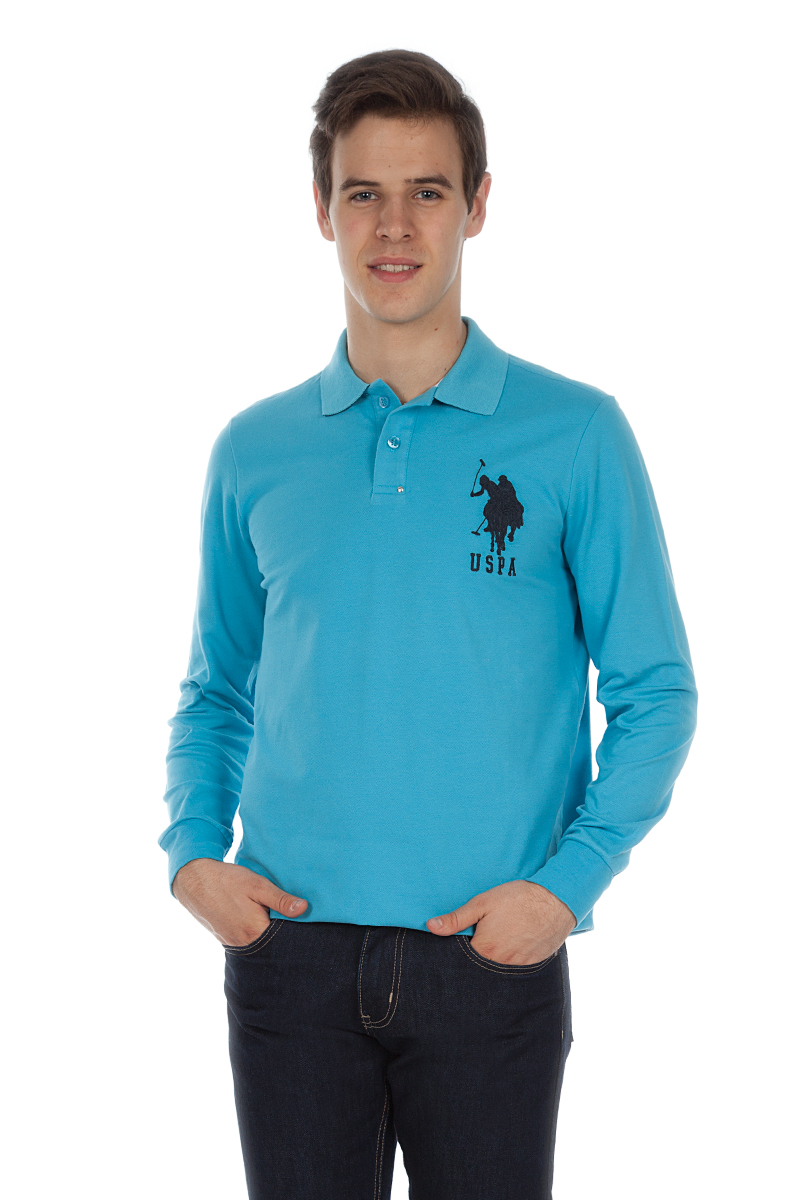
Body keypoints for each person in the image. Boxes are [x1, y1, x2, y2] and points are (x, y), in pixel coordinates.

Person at [159, 48, 698, 1200]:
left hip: (487, 956)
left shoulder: (574, 434)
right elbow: (216, 686)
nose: (393, 226)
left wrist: (565, 887)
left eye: (427, 192)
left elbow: (654, 690)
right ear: (321, 208)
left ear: (476, 205)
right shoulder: (254, 450)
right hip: (289, 957)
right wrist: (192, 855)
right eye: (363, 192)